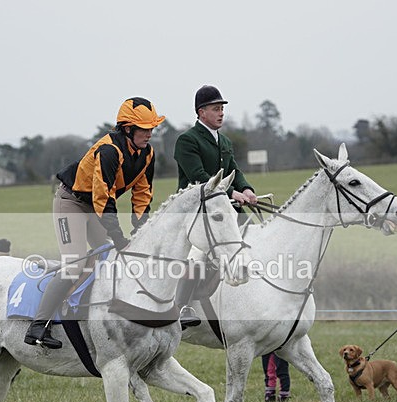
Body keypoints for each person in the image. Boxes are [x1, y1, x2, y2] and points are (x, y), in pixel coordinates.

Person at [23, 97, 165, 349]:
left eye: (152, 128)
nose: (150, 134)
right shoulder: (109, 150)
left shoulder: (147, 154)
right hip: (71, 202)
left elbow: (142, 194)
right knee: (75, 264)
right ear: (127, 129)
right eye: (145, 129)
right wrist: (119, 236)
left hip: (94, 207)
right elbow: (103, 197)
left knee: (107, 259)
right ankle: (38, 326)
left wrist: (141, 228)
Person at [173, 85, 259, 329]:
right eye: (215, 109)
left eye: (222, 109)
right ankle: (182, 306)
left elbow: (235, 171)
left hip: (224, 210)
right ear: (201, 112)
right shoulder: (187, 140)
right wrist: (232, 191)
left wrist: (247, 189)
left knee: (252, 241)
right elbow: (198, 176)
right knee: (196, 254)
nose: (221, 113)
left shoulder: (224, 141)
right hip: (197, 211)